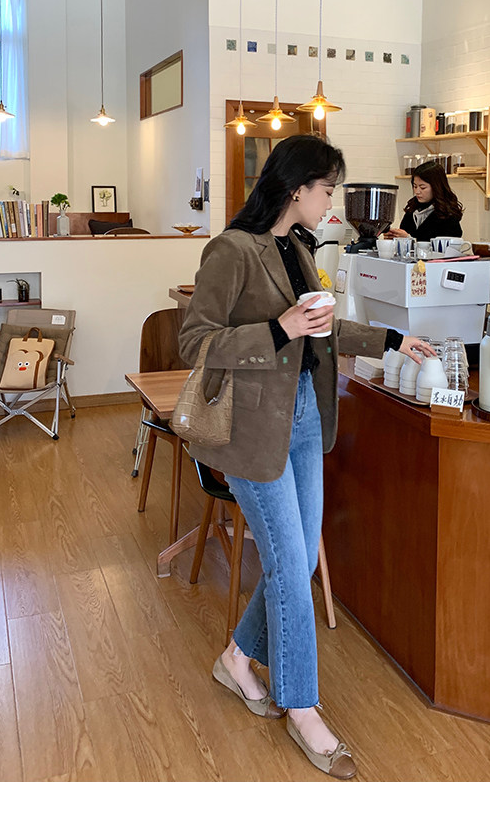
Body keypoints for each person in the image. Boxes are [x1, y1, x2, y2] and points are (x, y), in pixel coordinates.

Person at [178, 134, 434, 779]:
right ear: (296, 188)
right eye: (327, 190)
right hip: (252, 432)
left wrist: (393, 339)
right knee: (293, 570)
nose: (332, 203)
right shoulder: (231, 249)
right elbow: (196, 342)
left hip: (306, 421)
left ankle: (237, 658)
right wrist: (279, 328)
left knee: (291, 562)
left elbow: (319, 330)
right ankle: (302, 706)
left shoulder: (297, 247)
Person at [386, 160, 464, 242]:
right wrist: (395, 237)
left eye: (422, 187)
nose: (417, 191)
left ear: (436, 187)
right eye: (415, 186)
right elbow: (404, 237)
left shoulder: (448, 215)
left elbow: (448, 245)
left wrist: (409, 239)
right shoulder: (412, 210)